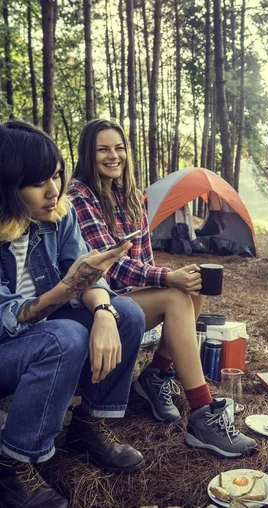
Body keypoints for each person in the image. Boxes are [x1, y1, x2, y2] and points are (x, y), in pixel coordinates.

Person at [68, 119, 257, 459]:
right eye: (103, 149)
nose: (114, 156)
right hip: (95, 302)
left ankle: (155, 376)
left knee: (193, 286)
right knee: (174, 294)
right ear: (88, 154)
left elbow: (144, 259)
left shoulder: (130, 196)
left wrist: (173, 276)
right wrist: (168, 279)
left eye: (119, 148)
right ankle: (202, 414)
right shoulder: (80, 195)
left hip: (128, 299)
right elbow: (108, 264)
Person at [0, 121, 146, 507]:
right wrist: (68, 289)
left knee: (125, 313)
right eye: (37, 183)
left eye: (56, 175)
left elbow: (83, 269)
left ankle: (89, 426)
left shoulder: (57, 214)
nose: (54, 191)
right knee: (63, 336)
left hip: (45, 337)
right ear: (7, 188)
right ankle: (11, 465)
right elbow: (8, 318)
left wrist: (101, 311)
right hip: (8, 348)